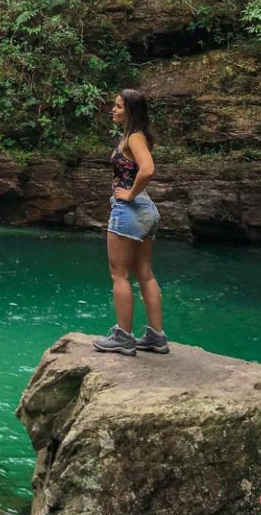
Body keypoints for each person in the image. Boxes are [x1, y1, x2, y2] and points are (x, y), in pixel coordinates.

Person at [93, 88, 169, 356]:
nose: (113, 110)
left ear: (131, 111)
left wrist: (128, 193)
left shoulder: (134, 138)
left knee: (119, 275)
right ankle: (156, 336)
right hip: (146, 211)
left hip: (129, 210)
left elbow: (148, 169)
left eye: (118, 106)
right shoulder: (136, 135)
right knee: (145, 273)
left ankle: (123, 337)